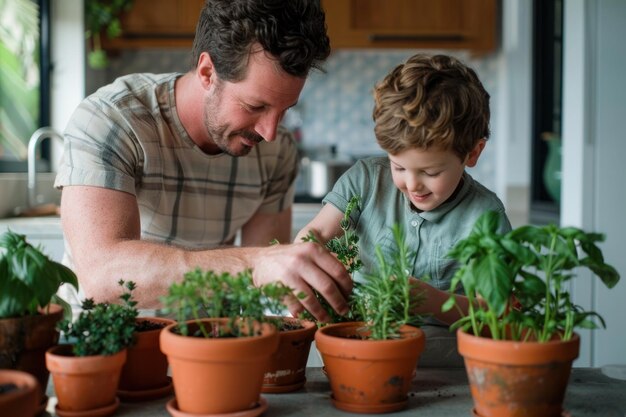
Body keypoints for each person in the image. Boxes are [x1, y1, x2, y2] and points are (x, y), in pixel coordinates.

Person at [54, 0, 352, 322]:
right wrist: (255, 264)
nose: (269, 132)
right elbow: (102, 276)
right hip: (101, 343)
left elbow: (264, 290)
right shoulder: (113, 119)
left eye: (284, 110)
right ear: (208, 72)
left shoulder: (276, 151)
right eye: (255, 106)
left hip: (205, 338)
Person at [295, 54, 512, 366]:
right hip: (361, 350)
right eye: (397, 167)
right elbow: (316, 233)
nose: (413, 185)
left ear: (473, 152)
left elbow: (495, 313)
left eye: (431, 173)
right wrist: (305, 261)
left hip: (444, 365)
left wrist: (431, 300)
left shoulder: (485, 216)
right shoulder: (365, 179)